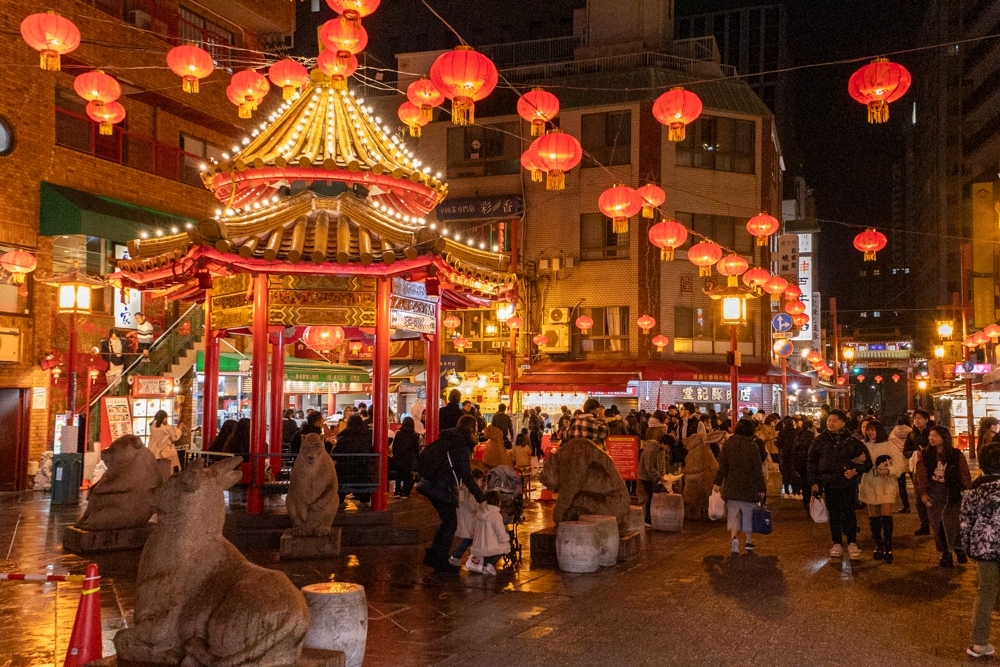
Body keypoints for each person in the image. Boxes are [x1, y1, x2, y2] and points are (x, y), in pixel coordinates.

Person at [418, 414, 487, 569]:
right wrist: (481, 497)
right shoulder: (460, 445)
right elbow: (467, 476)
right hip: (439, 486)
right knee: (450, 522)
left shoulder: (448, 439)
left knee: (447, 521)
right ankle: (440, 559)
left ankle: (435, 556)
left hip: (429, 483)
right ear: (472, 429)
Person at [808, 409, 872, 560]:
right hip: (828, 483)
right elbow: (811, 462)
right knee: (834, 513)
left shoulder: (852, 441)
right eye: (829, 420)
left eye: (835, 420)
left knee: (849, 512)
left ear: (843, 423)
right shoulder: (819, 441)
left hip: (847, 483)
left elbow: (867, 462)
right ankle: (836, 542)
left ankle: (852, 542)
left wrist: (855, 470)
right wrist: (814, 482)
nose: (831, 423)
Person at [960, 442, 1000, 658]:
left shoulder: (974, 490)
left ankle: (979, 644)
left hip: (984, 548)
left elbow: (965, 522)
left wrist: (969, 547)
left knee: (985, 592)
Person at [916, 425, 972, 567]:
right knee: (938, 524)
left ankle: (958, 548)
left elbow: (964, 473)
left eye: (935, 436)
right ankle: (946, 552)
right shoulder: (925, 454)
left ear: (944, 438)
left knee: (953, 522)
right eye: (930, 435)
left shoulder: (955, 454)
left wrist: (967, 490)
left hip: (953, 492)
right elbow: (921, 475)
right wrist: (923, 492)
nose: (931, 438)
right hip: (934, 492)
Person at [713, 418, 768, 554]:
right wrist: (761, 488)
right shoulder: (752, 446)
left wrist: (717, 483)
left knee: (734, 514)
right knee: (748, 514)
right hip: (749, 487)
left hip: (732, 486)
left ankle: (734, 539)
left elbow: (723, 467)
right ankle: (749, 542)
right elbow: (757, 470)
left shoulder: (728, 444)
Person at [859, 420, 906, 562]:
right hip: (869, 482)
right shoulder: (863, 446)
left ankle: (888, 546)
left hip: (886, 483)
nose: (870, 432)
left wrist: (888, 470)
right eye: (867, 429)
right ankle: (878, 544)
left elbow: (900, 465)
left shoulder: (889, 446)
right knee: (873, 516)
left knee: (886, 514)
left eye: (873, 429)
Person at [448, 468, 487, 567]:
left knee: (471, 539)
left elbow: (461, 502)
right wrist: (481, 506)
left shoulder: (462, 488)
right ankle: (457, 557)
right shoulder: (471, 491)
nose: (481, 484)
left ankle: (459, 557)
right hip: (469, 519)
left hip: (464, 517)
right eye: (481, 481)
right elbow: (472, 506)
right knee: (470, 539)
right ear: (475, 479)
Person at [905, 409, 933, 534]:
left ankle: (936, 523)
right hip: (917, 469)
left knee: (933, 496)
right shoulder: (911, 435)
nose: (917, 420)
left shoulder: (933, 433)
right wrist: (914, 453)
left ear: (927, 420)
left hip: (932, 469)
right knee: (919, 498)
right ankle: (924, 525)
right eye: (915, 418)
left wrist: (925, 453)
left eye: (920, 418)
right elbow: (905, 451)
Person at [470, 490, 510, 576]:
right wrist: (506, 538)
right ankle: (490, 565)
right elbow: (500, 531)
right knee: (505, 546)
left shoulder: (480, 512)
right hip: (489, 546)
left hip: (478, 545)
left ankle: (484, 563)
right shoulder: (495, 515)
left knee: (488, 549)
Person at [638, 436, 670, 527]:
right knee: (650, 496)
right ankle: (647, 519)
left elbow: (663, 464)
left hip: (655, 477)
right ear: (663, 443)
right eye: (668, 446)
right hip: (646, 476)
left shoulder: (662, 451)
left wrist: (663, 475)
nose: (668, 449)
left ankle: (653, 517)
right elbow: (648, 467)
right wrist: (659, 477)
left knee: (655, 496)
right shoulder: (650, 449)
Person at [148, 410, 185, 481]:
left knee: (155, 471)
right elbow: (174, 437)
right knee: (166, 472)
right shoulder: (167, 428)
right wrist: (179, 430)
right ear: (164, 417)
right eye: (166, 417)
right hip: (165, 453)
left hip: (154, 452)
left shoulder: (152, 426)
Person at [888, 414, 913, 513]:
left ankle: (906, 506)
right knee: (917, 485)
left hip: (898, 462)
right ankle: (922, 505)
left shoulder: (893, 433)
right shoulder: (911, 432)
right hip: (910, 461)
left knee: (902, 486)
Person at [392, 417, 421, 497]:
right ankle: (405, 492)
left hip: (399, 458)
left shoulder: (398, 434)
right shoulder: (414, 435)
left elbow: (394, 446)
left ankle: (397, 491)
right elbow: (416, 448)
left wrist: (395, 456)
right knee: (408, 476)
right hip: (409, 459)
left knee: (398, 475)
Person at [793, 418, 817, 512]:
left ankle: (807, 504)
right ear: (809, 428)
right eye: (813, 426)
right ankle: (813, 506)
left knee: (805, 486)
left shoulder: (798, 437)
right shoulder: (811, 439)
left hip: (801, 465)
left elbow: (794, 452)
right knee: (813, 485)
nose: (815, 428)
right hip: (810, 466)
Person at [776, 416, 799, 498]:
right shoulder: (795, 432)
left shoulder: (782, 432)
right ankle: (795, 491)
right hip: (794, 454)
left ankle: (786, 491)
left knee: (785, 472)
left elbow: (778, 443)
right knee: (794, 472)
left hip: (785, 455)